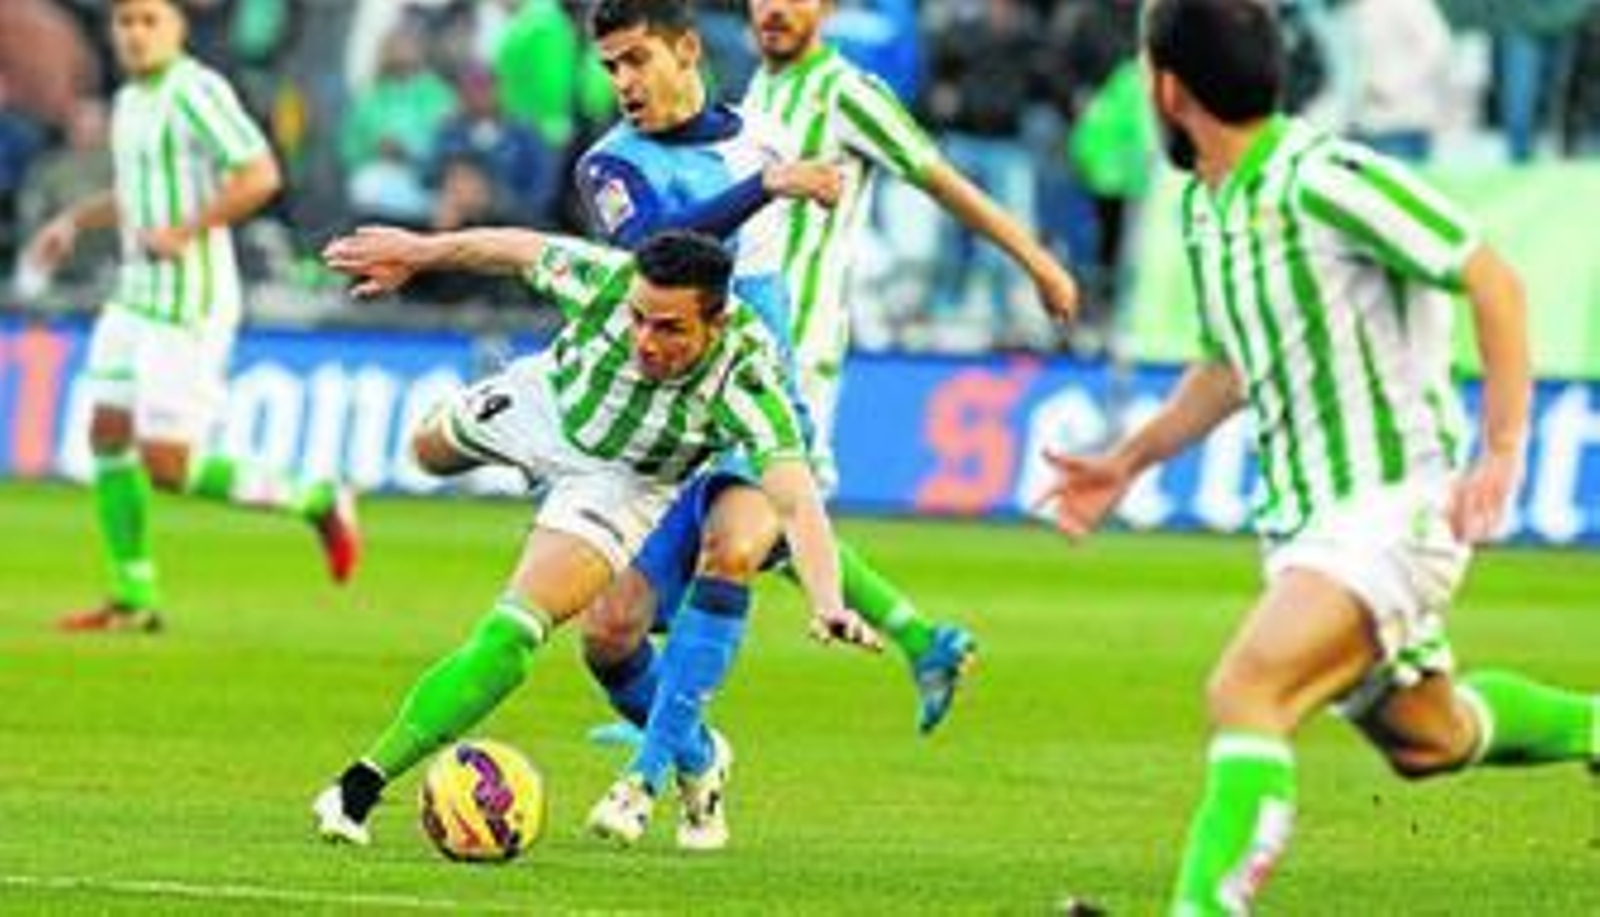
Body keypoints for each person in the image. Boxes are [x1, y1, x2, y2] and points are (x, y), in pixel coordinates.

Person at [1036, 2, 1599, 913]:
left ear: (1167, 88)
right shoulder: (1211, 208)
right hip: (1308, 521)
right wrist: (1128, 459)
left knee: (1245, 689)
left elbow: (1490, 274)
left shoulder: (1323, 177)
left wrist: (1501, 449)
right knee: (1430, 737)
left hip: (1395, 507)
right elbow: (1230, 366)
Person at [311, 226, 878, 847]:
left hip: (621, 481)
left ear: (714, 324)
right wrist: (418, 253)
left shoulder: (745, 376)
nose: (645, 340)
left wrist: (828, 602)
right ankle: (701, 754)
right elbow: (516, 248)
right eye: (638, 319)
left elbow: (796, 498)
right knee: (425, 453)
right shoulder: (606, 278)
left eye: (669, 329)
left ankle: (356, 789)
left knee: (515, 633)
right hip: (543, 402)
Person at [575, 0, 992, 781]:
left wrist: (1035, 262)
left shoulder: (831, 100)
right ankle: (915, 638)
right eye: (612, 67)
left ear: (688, 50)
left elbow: (932, 176)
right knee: (613, 623)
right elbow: (652, 250)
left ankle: (663, 760)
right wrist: (770, 185)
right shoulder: (622, 159)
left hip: (769, 374)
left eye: (636, 61)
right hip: (664, 405)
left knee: (745, 538)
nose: (623, 82)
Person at [23, 0, 358, 634]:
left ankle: (317, 496)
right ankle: (132, 594)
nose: (136, 34)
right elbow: (138, 190)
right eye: (125, 22)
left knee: (169, 465)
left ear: (177, 28)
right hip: (134, 296)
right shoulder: (130, 101)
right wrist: (73, 222)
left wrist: (187, 231)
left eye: (150, 20)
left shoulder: (196, 90)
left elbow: (259, 174)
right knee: (106, 432)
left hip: (189, 300)